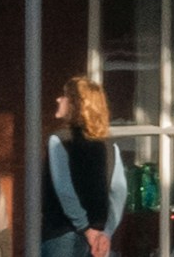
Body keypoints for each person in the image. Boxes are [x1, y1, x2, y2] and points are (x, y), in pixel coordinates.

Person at [40, 83, 117, 257]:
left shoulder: (59, 140)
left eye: (65, 96)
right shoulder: (108, 145)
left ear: (77, 104)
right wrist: (106, 232)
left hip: (62, 233)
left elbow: (64, 188)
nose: (58, 99)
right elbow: (118, 191)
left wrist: (85, 228)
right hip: (99, 236)